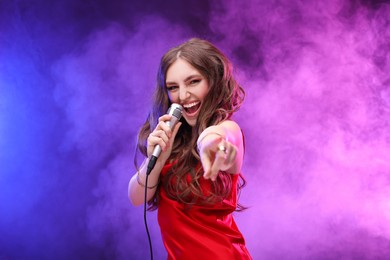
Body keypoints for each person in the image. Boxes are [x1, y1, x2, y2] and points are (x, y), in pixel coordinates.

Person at [128, 38, 252, 259]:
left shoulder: (227, 128)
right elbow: (136, 197)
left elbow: (216, 137)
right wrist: (158, 157)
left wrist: (211, 145)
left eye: (193, 81)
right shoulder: (171, 138)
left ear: (212, 82)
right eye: (173, 87)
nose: (183, 96)